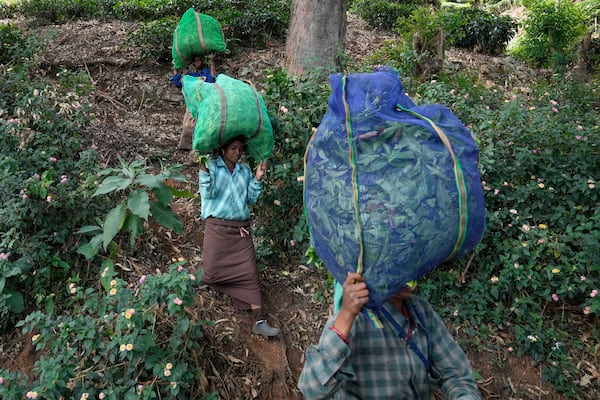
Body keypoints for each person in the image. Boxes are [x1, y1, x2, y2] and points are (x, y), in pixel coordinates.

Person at [298, 271, 482, 399]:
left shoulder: (421, 311)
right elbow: (311, 390)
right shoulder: (355, 320)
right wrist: (346, 316)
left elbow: (456, 374)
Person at [197, 135, 280, 337]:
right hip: (217, 228)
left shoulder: (243, 171)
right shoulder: (211, 166)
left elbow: (251, 198)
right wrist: (204, 171)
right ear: (223, 149)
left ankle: (259, 320)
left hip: (240, 231)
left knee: (250, 274)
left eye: (240, 149)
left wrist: (258, 176)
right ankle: (194, 278)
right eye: (233, 148)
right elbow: (207, 194)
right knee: (209, 274)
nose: (237, 152)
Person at [169, 54, 217, 153]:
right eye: (195, 61)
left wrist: (212, 61)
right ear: (193, 63)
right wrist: (175, 68)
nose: (197, 62)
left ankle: (204, 148)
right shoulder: (190, 76)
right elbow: (178, 82)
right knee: (188, 125)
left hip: (205, 104)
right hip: (192, 104)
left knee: (205, 125)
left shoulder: (206, 73)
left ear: (202, 61)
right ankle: (188, 147)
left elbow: (212, 79)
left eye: (199, 60)